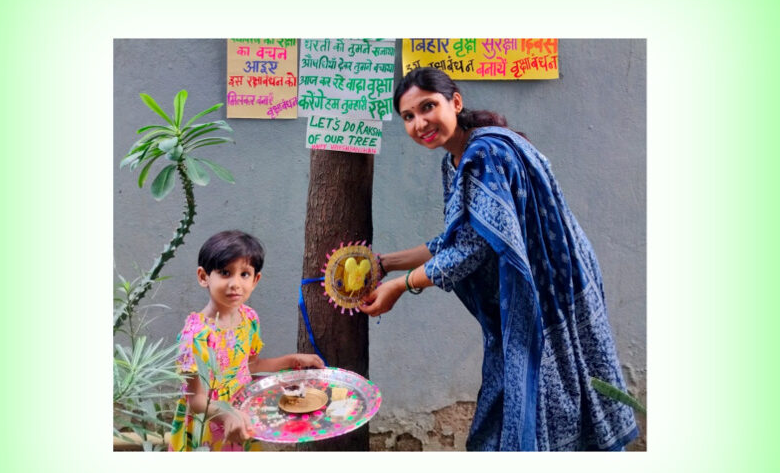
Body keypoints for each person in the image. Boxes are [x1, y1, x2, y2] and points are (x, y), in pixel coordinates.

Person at [359, 67, 638, 451]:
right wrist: (386, 264)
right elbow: (459, 237)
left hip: (549, 295)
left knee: (552, 403)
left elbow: (473, 250)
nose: (419, 122)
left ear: (455, 102)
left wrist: (400, 286)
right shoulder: (455, 161)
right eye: (408, 116)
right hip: (531, 298)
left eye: (428, 107)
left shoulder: (484, 154)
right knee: (523, 397)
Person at [169, 230, 324, 451]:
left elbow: (250, 366)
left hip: (243, 413)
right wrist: (227, 414)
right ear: (204, 277)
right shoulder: (195, 335)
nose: (235, 283)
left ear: (255, 279)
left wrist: (292, 359)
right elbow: (196, 400)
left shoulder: (249, 319)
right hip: (208, 424)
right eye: (225, 272)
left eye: (244, 274)